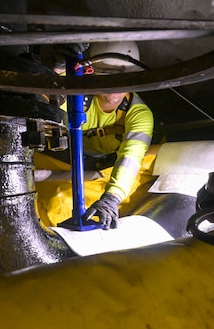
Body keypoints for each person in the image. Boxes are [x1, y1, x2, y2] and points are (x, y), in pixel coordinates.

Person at [51, 41, 154, 230]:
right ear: (91, 72)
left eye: (124, 78)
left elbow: (131, 157)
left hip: (107, 168)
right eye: (106, 76)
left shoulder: (139, 114)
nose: (114, 87)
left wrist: (112, 198)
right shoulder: (74, 90)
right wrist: (57, 69)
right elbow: (41, 98)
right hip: (65, 160)